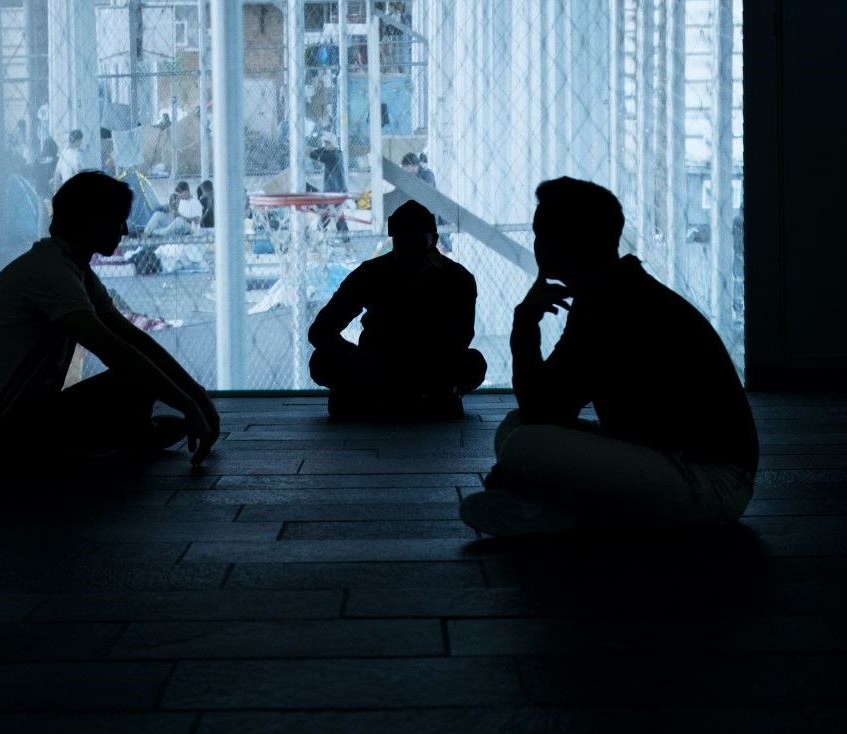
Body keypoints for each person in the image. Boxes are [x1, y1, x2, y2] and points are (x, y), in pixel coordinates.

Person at [459, 178, 757, 536]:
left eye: (542, 233)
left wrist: (525, 326)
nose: (537, 244)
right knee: (515, 429)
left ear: (565, 243)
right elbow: (545, 406)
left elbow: (545, 410)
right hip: (689, 465)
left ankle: (575, 516)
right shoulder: (614, 291)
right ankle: (578, 513)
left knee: (522, 442)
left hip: (708, 481)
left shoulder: (610, 304)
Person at [0, 171, 220, 472]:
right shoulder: (53, 274)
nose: (125, 230)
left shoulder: (66, 268)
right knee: (135, 380)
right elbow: (116, 348)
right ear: (93, 222)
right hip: (7, 436)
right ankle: (114, 440)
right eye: (118, 220)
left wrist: (196, 398)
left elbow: (132, 340)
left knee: (139, 378)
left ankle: (118, 438)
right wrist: (192, 402)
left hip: (7, 427)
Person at [308, 199, 486, 420]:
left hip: (407, 368)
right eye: (405, 243)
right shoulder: (457, 278)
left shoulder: (456, 279)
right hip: (394, 368)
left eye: (416, 244)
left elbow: (459, 340)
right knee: (471, 364)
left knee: (472, 363)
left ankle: (379, 400)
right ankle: (427, 400)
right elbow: (321, 331)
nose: (410, 251)